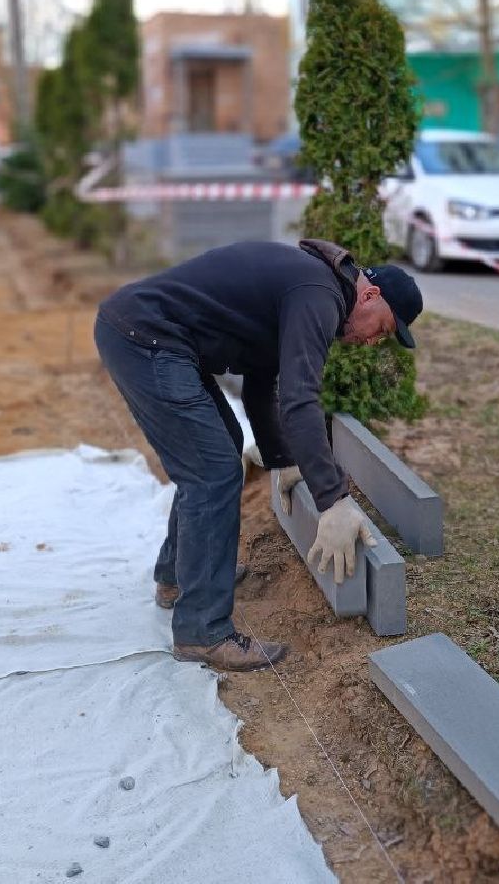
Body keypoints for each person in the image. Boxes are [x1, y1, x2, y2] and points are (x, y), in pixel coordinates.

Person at [94, 239, 423, 672]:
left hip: (149, 333)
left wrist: (281, 459)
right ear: (370, 295)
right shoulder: (319, 296)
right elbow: (299, 399)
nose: (373, 342)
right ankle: (202, 631)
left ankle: (179, 578)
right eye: (382, 328)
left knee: (219, 452)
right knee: (211, 471)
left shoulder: (311, 287)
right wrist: (333, 500)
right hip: (147, 338)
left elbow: (260, 383)